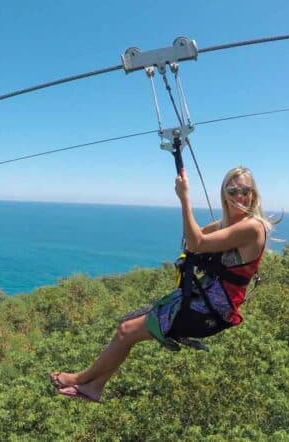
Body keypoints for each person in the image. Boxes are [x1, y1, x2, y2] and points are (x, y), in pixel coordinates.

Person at [49, 166, 276, 402]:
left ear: (253, 195)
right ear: (224, 193)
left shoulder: (251, 227)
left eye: (245, 191)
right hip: (202, 300)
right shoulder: (228, 225)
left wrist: (184, 197)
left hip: (210, 309)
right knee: (126, 328)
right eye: (233, 190)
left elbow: (196, 242)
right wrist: (199, 238)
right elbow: (193, 238)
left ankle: (79, 380)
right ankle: (93, 387)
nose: (239, 196)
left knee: (126, 331)